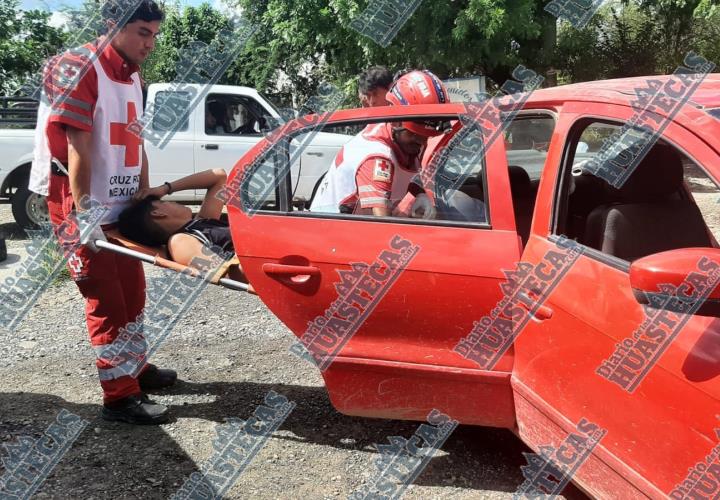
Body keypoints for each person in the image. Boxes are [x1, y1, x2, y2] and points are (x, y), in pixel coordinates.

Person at [29, 0, 173, 425]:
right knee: (106, 299)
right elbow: (77, 146)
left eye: (154, 34)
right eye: (142, 33)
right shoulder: (76, 66)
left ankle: (136, 369)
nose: (150, 43)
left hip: (121, 203)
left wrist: (144, 190)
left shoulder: (132, 76)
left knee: (133, 291)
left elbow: (135, 139)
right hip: (81, 203)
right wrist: (84, 215)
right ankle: (118, 396)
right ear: (112, 26)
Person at [310, 70, 484, 221]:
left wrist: (420, 195)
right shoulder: (377, 157)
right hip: (334, 233)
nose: (422, 142)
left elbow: (413, 181)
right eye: (416, 134)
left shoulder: (405, 141)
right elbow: (383, 226)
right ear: (396, 122)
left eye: (427, 135)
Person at [118, 169, 233, 266]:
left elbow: (219, 176)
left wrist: (165, 188)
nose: (171, 201)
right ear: (158, 213)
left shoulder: (201, 222)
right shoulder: (179, 242)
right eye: (162, 202)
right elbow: (225, 272)